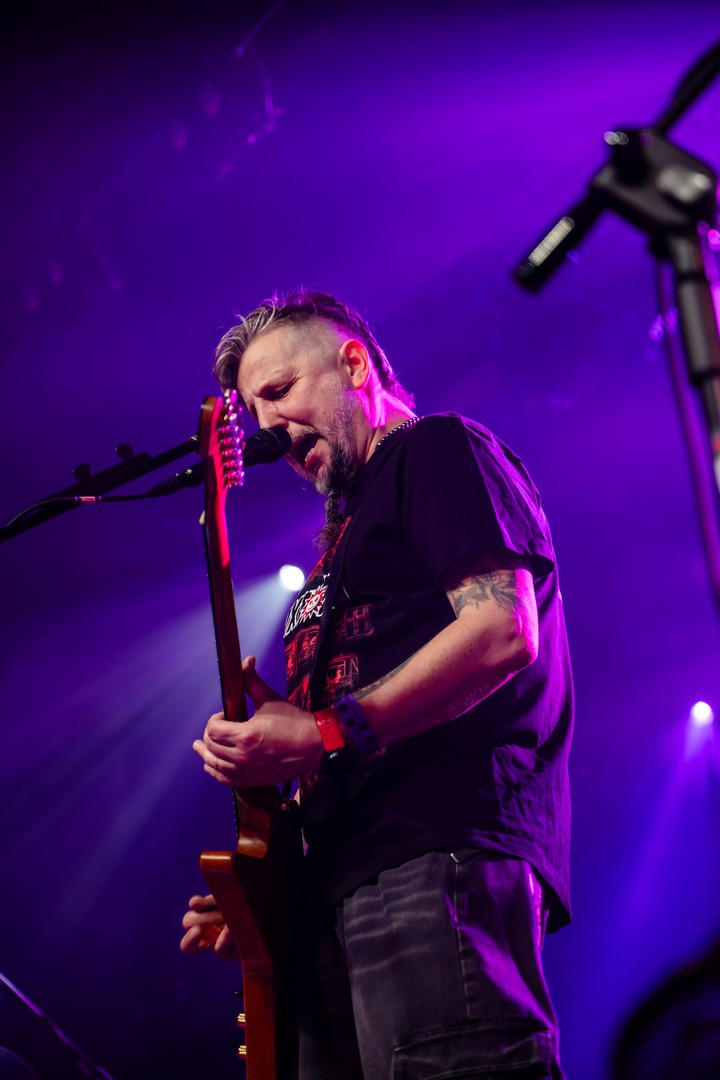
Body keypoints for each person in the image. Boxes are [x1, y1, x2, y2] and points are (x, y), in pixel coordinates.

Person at [180, 290, 573, 1079]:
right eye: (255, 416)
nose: (271, 431)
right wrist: (269, 899)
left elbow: (501, 630)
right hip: (341, 887)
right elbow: (338, 749)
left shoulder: (438, 449)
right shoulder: (341, 541)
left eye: (280, 391)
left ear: (354, 364)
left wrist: (326, 730)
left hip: (437, 853)